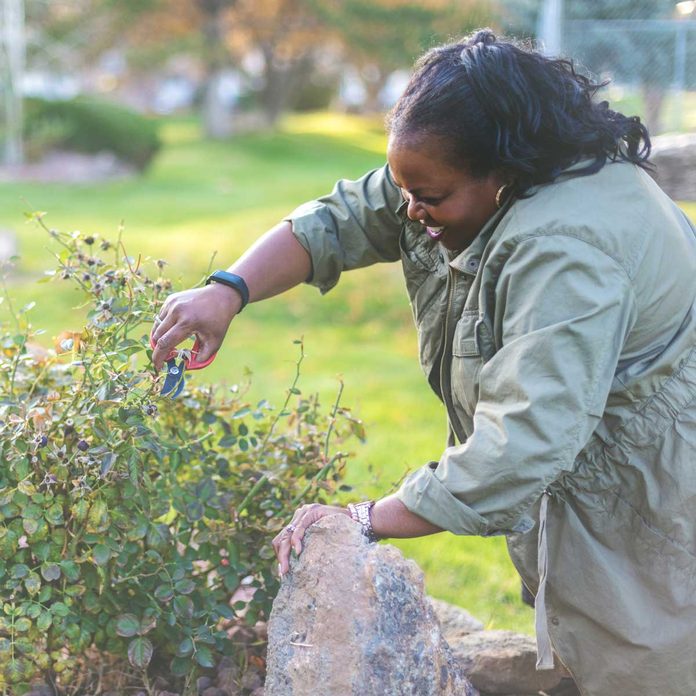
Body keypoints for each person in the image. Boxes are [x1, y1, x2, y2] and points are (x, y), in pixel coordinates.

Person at [151, 30, 696, 696]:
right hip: (596, 472)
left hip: (660, 492)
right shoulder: (464, 173)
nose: (411, 209)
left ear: (504, 173)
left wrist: (363, 517)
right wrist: (227, 290)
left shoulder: (568, 249)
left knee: (651, 666)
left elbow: (523, 443)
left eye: (428, 198)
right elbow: (346, 217)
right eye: (407, 188)